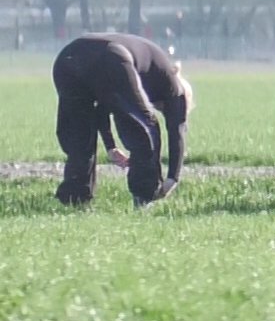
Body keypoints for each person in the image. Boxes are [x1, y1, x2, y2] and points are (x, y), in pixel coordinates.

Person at [51, 33, 192, 206]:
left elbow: (101, 107)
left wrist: (111, 147)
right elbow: (177, 130)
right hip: (111, 56)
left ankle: (75, 201)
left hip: (68, 58)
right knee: (145, 128)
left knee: (79, 135)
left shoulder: (146, 77)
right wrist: (172, 179)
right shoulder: (174, 87)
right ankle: (144, 198)